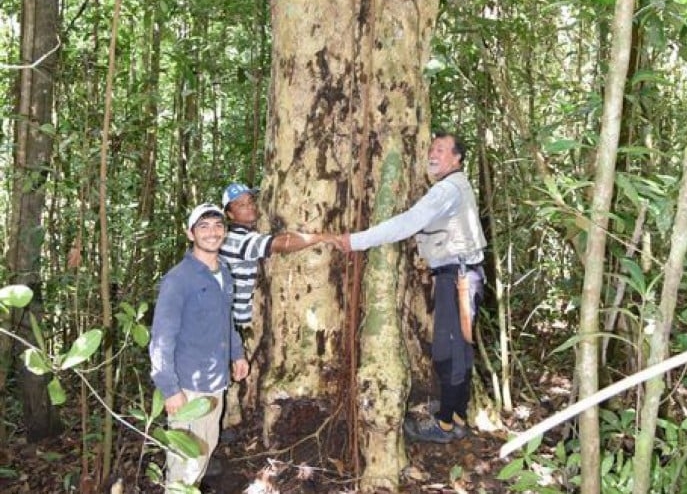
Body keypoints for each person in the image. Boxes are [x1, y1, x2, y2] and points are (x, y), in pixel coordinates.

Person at [334, 131, 486, 444]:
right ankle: (456, 412)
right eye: (432, 148)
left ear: (457, 158)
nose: (433, 154)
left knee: (449, 351)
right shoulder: (453, 186)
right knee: (457, 348)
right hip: (459, 275)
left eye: (441, 150)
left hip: (458, 279)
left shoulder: (447, 189)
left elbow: (408, 222)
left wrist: (356, 241)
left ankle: (445, 425)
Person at [149, 203, 249, 487]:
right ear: (190, 233)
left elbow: (226, 319)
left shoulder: (223, 272)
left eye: (217, 225)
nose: (212, 232)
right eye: (203, 226)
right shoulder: (178, 279)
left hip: (215, 382)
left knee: (204, 451)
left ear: (225, 231)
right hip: (188, 387)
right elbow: (161, 339)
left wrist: (237, 354)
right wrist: (170, 389)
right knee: (184, 465)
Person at [218, 181, 331, 328]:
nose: (250, 206)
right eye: (241, 205)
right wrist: (321, 237)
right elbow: (282, 243)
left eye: (250, 201)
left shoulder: (229, 237)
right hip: (236, 326)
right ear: (230, 214)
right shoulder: (239, 240)